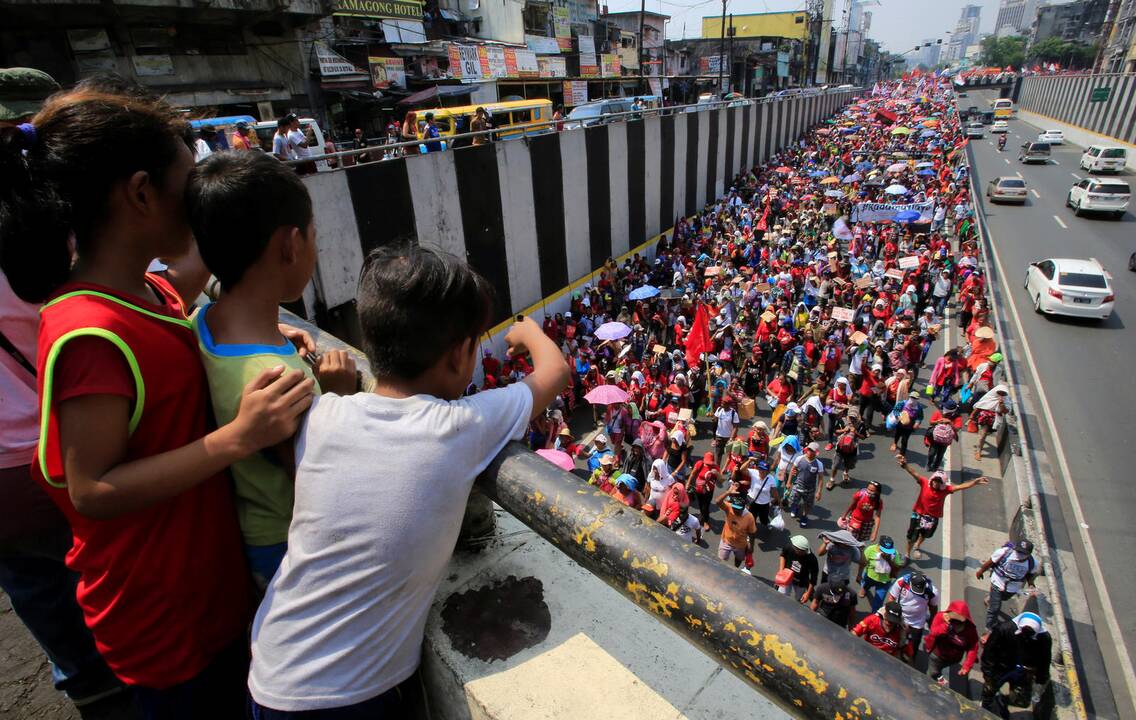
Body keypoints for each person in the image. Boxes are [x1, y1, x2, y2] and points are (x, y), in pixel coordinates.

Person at [2, 85, 314, 714]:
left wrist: (261, 329)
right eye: (188, 182)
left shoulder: (146, 292)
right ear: (142, 194)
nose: (199, 200)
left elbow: (193, 324)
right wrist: (237, 438)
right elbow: (91, 488)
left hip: (204, 585)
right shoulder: (91, 331)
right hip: (163, 615)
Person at [248, 245, 571, 716]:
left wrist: (333, 391)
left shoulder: (325, 413)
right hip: (347, 696)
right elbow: (555, 372)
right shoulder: (459, 427)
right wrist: (529, 330)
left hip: (271, 665)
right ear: (461, 354)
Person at [0, 65, 133, 716]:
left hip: (4, 488)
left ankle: (89, 689)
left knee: (53, 617)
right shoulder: (69, 237)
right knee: (122, 606)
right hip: (71, 455)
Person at [187, 150, 359, 589]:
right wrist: (337, 396)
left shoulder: (200, 322)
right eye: (314, 236)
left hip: (247, 529)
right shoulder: (278, 381)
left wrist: (277, 333)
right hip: (287, 545)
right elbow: (319, 485)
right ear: (290, 244)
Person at [896, 455, 989, 560]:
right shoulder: (924, 483)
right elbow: (914, 473)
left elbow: (961, 486)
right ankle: (907, 555)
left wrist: (974, 482)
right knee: (911, 537)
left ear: (943, 484)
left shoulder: (946, 490)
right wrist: (905, 465)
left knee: (925, 535)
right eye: (935, 480)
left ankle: (917, 545)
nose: (936, 483)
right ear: (932, 479)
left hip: (932, 518)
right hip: (918, 514)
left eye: (939, 482)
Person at [981, 612, 1052, 718]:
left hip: (1023, 672)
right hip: (1001, 667)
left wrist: (1041, 677)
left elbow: (1045, 659)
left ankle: (1002, 699)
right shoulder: (1004, 629)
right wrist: (987, 672)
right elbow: (989, 651)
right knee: (989, 690)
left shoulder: (1044, 639)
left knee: (1021, 701)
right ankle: (986, 706)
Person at [975, 539, 1037, 630]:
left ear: (1028, 554)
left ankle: (990, 599)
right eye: (1018, 551)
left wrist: (1031, 584)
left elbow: (1029, 575)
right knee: (994, 608)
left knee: (1004, 598)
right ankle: (989, 627)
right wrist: (981, 571)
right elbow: (990, 562)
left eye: (1023, 553)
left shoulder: (1032, 563)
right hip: (998, 582)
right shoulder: (1003, 553)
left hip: (1013, 588)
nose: (1020, 555)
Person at [886, 571, 940, 663]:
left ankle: (910, 662)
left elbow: (933, 607)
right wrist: (892, 614)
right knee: (895, 641)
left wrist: (932, 620)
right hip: (899, 618)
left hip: (917, 623)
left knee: (913, 646)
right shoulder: (901, 582)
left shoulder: (932, 591)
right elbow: (891, 598)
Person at [923, 601, 979, 685]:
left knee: (936, 671)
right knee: (931, 674)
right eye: (954, 621)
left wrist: (967, 666)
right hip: (937, 655)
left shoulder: (970, 631)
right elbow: (933, 633)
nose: (956, 625)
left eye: (960, 622)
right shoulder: (940, 617)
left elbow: (973, 648)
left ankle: (938, 676)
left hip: (954, 659)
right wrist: (945, 626)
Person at [714, 483, 756, 568]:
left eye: (738, 509)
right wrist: (728, 492)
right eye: (734, 508)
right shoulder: (729, 508)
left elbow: (752, 534)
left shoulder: (749, 517)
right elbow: (718, 501)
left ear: (744, 507)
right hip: (726, 541)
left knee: (739, 559)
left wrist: (751, 546)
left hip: (740, 545)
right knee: (721, 561)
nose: (736, 511)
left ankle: (736, 568)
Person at [786, 441, 824, 527]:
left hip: (810, 489)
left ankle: (804, 516)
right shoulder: (799, 459)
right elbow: (792, 470)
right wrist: (789, 482)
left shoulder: (819, 464)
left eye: (812, 450)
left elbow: (821, 479)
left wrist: (819, 492)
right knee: (793, 501)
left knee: (808, 505)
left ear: (816, 452)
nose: (809, 451)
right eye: (809, 449)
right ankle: (795, 508)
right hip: (798, 485)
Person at [859, 535, 899, 612]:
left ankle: (874, 616)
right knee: (866, 585)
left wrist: (889, 560)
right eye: (884, 550)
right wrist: (859, 574)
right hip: (869, 576)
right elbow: (863, 563)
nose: (887, 553)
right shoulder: (870, 550)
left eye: (888, 551)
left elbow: (897, 567)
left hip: (884, 582)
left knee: (878, 603)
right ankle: (864, 588)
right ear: (878, 545)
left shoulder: (895, 553)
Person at [776, 535, 818, 602]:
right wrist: (781, 571)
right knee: (781, 596)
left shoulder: (812, 559)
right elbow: (783, 555)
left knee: (798, 600)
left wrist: (807, 593)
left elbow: (813, 579)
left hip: (801, 581)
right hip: (786, 577)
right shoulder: (789, 547)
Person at [712, 396, 740, 465]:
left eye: (724, 403)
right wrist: (712, 417)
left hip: (728, 438)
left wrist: (731, 438)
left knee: (729, 455)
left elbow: (735, 427)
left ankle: (727, 469)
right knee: (718, 455)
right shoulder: (719, 409)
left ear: (728, 404)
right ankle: (717, 469)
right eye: (722, 402)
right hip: (719, 436)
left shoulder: (734, 413)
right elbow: (715, 419)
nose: (721, 404)